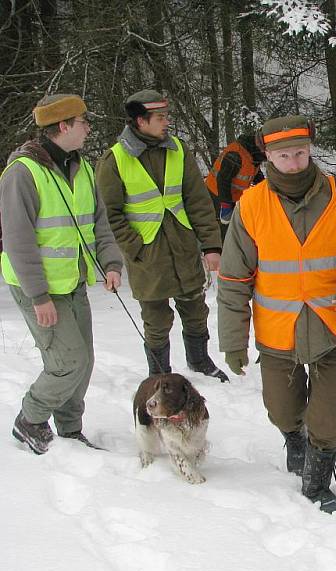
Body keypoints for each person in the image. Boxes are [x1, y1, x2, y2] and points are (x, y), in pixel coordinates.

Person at [217, 116, 336, 513]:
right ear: (267, 158)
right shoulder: (251, 206)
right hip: (278, 332)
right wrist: (232, 341)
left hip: (332, 324)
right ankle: (294, 438)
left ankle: (316, 483)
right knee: (281, 409)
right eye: (282, 155)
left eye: (299, 153)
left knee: (328, 419)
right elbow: (232, 278)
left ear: (310, 150)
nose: (293, 163)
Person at [1, 94, 123, 454]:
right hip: (37, 287)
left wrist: (111, 264)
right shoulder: (22, 173)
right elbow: (18, 241)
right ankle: (31, 419)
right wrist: (39, 296)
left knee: (84, 360)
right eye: (84, 122)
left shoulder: (80, 167)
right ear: (63, 126)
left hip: (71, 281)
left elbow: (99, 222)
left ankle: (71, 429)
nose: (89, 128)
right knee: (68, 361)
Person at [95, 90, 228, 381]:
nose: (167, 122)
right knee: (156, 321)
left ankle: (200, 362)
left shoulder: (178, 149)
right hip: (148, 256)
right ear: (141, 121)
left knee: (196, 310)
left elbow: (198, 202)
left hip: (183, 248)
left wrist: (210, 246)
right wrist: (135, 248)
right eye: (161, 117)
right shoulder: (114, 160)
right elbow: (109, 215)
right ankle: (159, 374)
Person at [205, 132, 266, 240]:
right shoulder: (236, 155)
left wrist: (267, 187)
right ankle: (220, 252)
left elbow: (254, 174)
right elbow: (223, 180)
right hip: (216, 194)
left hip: (234, 197)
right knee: (223, 229)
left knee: (233, 228)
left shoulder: (253, 155)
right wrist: (226, 205)